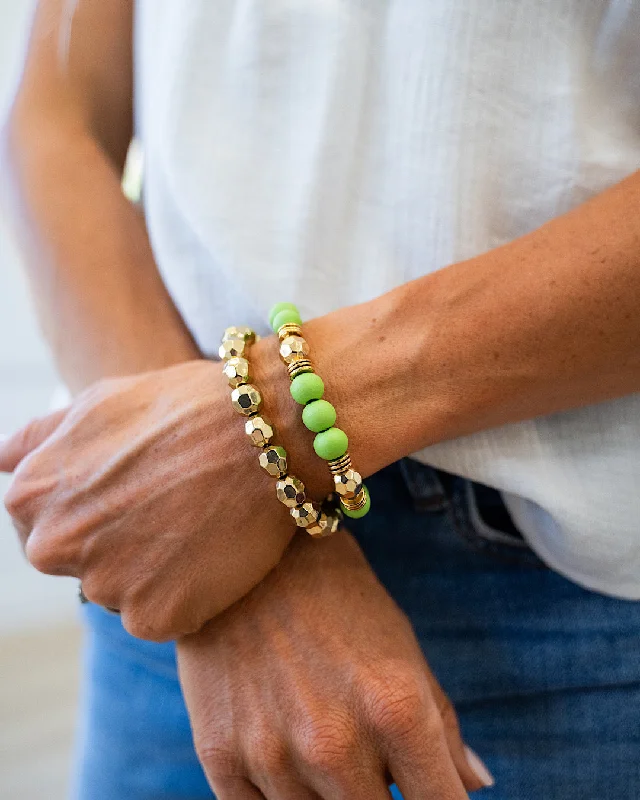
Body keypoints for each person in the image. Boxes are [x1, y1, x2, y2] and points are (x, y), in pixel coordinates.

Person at [1, 1, 639, 798]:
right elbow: (58, 114)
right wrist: (232, 548)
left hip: (580, 610)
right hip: (166, 569)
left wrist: (266, 435)